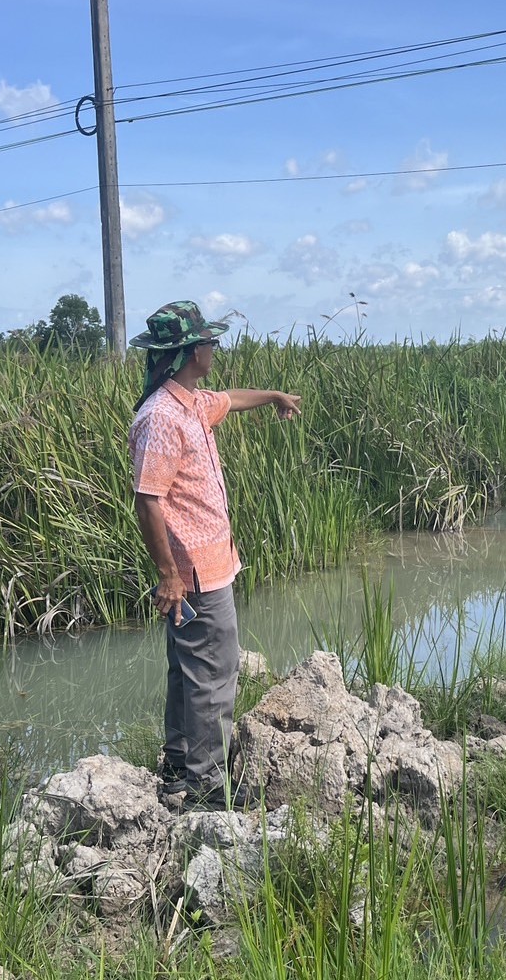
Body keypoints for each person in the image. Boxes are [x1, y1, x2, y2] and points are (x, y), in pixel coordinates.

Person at [128, 300, 301, 810]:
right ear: (187, 352)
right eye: (208, 342)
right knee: (215, 672)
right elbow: (148, 500)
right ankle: (206, 784)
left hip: (208, 565)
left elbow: (231, 399)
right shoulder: (162, 416)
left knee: (188, 671)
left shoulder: (190, 403)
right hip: (194, 575)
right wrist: (170, 576)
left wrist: (272, 396)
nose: (214, 348)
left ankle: (182, 765)